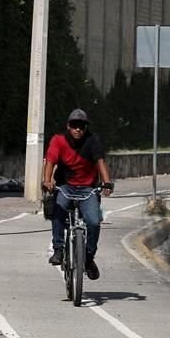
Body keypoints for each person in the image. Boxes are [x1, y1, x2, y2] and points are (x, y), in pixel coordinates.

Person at [42, 108, 113, 279]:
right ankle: (58, 249)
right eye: (74, 126)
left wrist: (106, 183)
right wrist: (47, 181)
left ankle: (88, 258)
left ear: (86, 127)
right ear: (68, 126)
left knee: (94, 222)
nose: (78, 130)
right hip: (65, 187)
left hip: (88, 189)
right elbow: (50, 162)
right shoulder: (58, 141)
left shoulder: (93, 140)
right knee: (58, 211)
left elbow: (100, 163)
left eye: (82, 126)